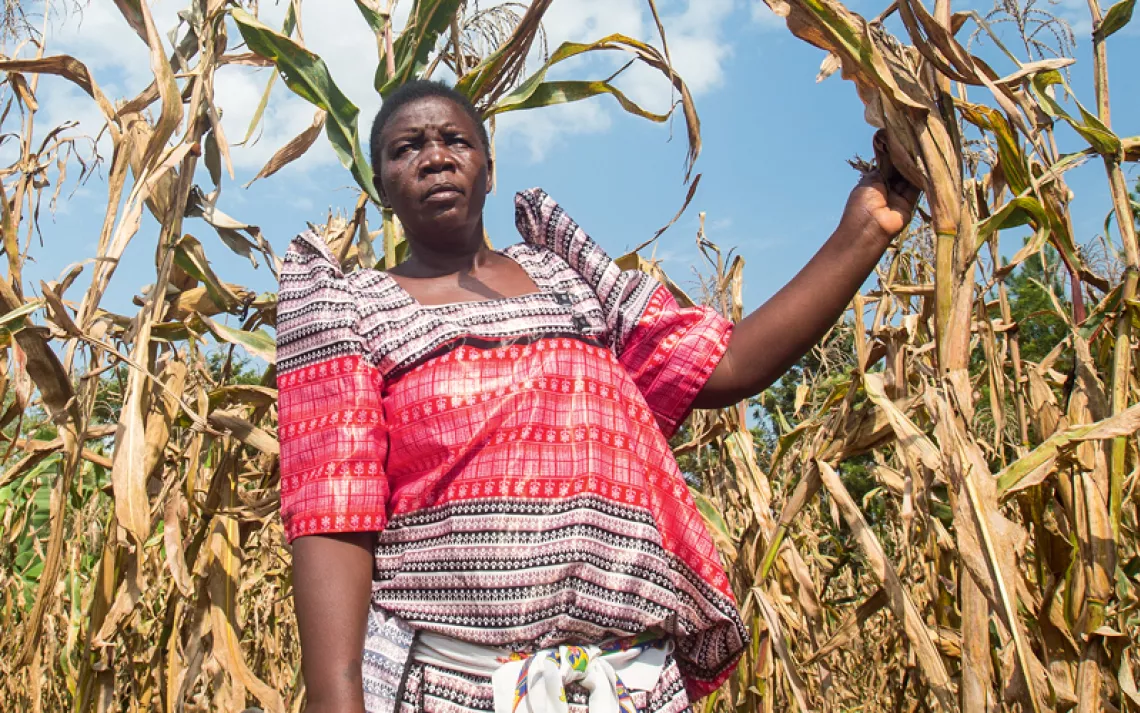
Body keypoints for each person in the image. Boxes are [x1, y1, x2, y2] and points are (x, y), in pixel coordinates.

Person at [276, 80, 918, 713]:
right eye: (405, 148)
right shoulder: (349, 309)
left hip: (631, 684)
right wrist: (337, 695)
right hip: (451, 683)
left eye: (456, 141)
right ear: (380, 185)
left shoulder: (570, 275)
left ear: (489, 169)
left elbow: (724, 367)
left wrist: (863, 230)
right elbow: (333, 513)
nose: (435, 156)